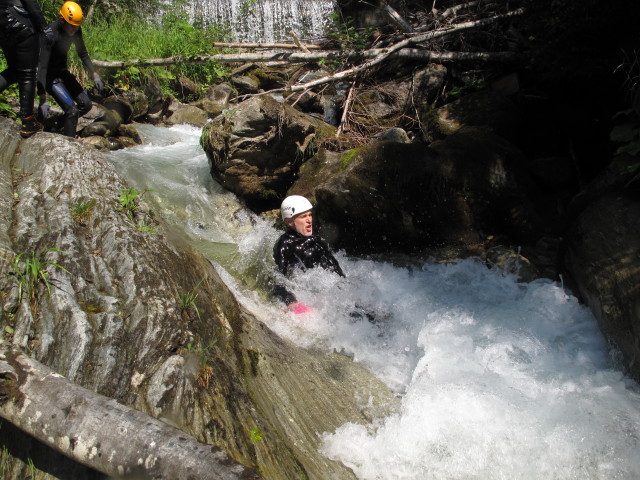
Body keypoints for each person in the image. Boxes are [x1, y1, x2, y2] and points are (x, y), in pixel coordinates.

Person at [37, 1, 104, 137]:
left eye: (77, 27)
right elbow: (42, 67)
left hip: (62, 72)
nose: (75, 30)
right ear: (63, 21)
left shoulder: (76, 30)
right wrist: (42, 98)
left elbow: (83, 54)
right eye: (72, 26)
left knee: (86, 105)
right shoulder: (50, 34)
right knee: (72, 111)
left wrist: (94, 74)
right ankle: (69, 142)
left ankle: (55, 125)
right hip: (50, 77)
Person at [273, 195, 344, 313]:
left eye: (310, 215)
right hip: (305, 289)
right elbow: (278, 278)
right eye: (303, 216)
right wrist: (290, 301)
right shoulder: (284, 244)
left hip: (323, 288)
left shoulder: (315, 235)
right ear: (289, 221)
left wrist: (342, 284)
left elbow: (331, 262)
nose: (309, 220)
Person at [0, 0, 54, 138]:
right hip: (19, 22)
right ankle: (27, 121)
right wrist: (43, 26)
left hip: (3, 23)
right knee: (27, 74)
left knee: (14, 71)